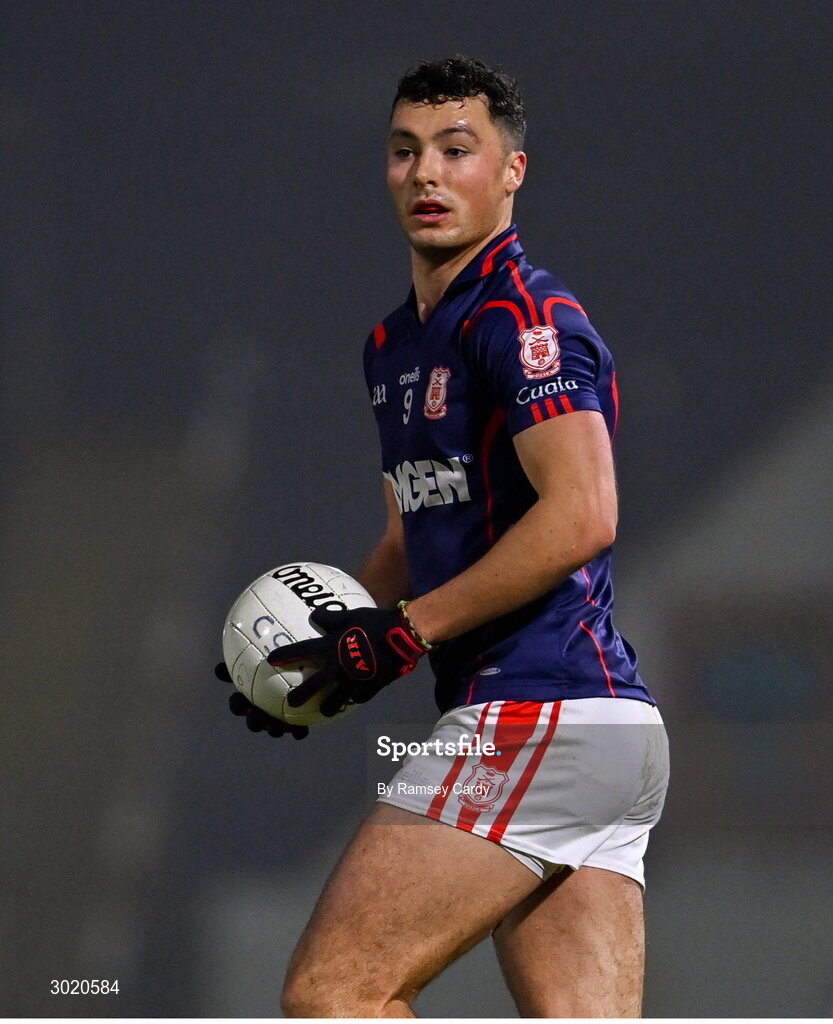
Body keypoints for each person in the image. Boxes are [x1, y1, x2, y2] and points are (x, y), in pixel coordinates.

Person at [218, 55, 669, 1017]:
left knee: (334, 993)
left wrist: (408, 631)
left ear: (510, 172)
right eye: (404, 151)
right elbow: (409, 529)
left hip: (538, 712)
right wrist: (328, 651)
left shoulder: (527, 317)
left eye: (456, 150)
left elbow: (585, 513)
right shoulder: (393, 344)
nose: (426, 173)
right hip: (591, 732)